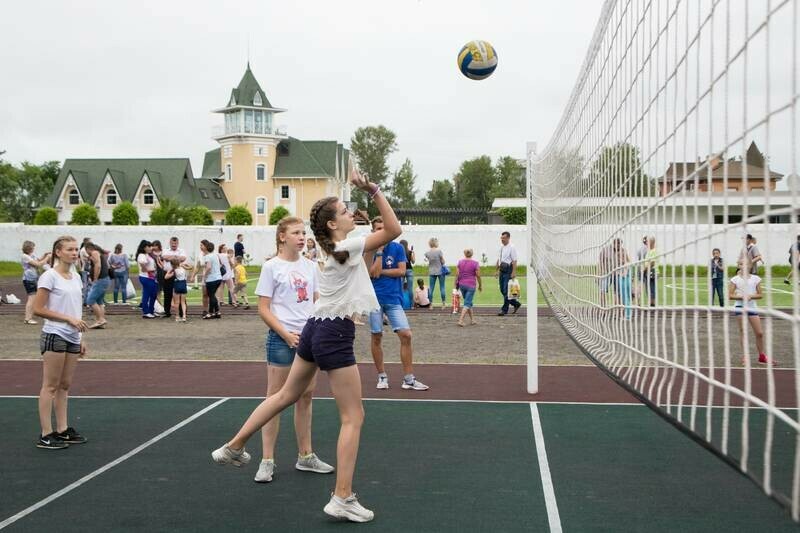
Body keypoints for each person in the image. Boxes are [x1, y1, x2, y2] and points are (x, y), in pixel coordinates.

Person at [211, 169, 398, 522]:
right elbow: (393, 229)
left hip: (314, 328)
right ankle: (342, 497)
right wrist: (373, 189)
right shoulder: (346, 246)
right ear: (331, 225)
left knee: (283, 397)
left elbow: (372, 261)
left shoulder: (337, 250)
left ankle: (233, 446)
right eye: (344, 211)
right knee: (353, 416)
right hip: (332, 333)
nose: (350, 213)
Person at [251, 216, 334, 483]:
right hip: (281, 339)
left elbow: (317, 299)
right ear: (282, 237)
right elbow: (263, 308)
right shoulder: (271, 268)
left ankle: (305, 456)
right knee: (274, 400)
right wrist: (286, 334)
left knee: (306, 398)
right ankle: (266, 460)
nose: (302, 237)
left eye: (303, 232)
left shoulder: (311, 267)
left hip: (308, 339)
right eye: (296, 233)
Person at [32, 235, 89, 449]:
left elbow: (76, 309)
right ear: (58, 252)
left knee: (65, 385)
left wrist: (81, 337)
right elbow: (38, 309)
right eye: (70, 249)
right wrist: (68, 320)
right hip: (55, 334)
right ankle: (46, 433)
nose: (74, 253)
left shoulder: (75, 276)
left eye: (76, 249)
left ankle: (63, 429)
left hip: (73, 337)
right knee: (51, 385)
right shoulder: (49, 276)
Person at [366, 216, 429, 391]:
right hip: (373, 300)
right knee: (376, 336)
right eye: (377, 229)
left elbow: (402, 271)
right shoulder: (368, 249)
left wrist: (381, 271)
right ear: (373, 231)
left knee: (406, 335)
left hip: (393, 299)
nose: (381, 232)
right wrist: (378, 251)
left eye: (383, 229)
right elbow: (370, 273)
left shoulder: (398, 248)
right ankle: (382, 376)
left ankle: (408, 379)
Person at [729, 263, 776, 365]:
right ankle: (745, 357)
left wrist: (751, 296)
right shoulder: (735, 279)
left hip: (752, 307)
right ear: (739, 265)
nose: (744, 265)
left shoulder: (756, 278)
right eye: (741, 263)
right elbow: (730, 296)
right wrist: (741, 297)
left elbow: (760, 295)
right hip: (739, 307)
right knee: (743, 331)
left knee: (759, 333)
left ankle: (762, 357)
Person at [21, 241, 51, 325]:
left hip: (33, 278)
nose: (34, 248)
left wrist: (44, 255)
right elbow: (38, 264)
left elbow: (38, 260)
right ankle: (27, 318)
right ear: (29, 248)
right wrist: (47, 258)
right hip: (28, 279)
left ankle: (29, 317)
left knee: (34, 298)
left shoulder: (31, 255)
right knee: (31, 298)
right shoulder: (25, 256)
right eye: (33, 247)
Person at [84, 242, 110, 329]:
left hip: (100, 280)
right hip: (104, 279)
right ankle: (101, 322)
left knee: (90, 300)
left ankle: (100, 320)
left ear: (88, 248)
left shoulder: (94, 252)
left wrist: (95, 279)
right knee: (99, 302)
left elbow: (98, 266)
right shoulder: (98, 253)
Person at [496, 231, 521, 316]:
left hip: (508, 270)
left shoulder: (512, 247)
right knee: (502, 290)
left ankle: (504, 310)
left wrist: (513, 272)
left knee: (506, 291)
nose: (502, 239)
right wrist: (497, 270)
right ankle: (515, 304)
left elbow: (514, 260)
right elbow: (499, 259)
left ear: (508, 238)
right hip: (501, 270)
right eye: (501, 238)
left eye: (504, 238)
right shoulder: (501, 247)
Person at [161, 237, 187, 319]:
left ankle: (182, 313)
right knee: (167, 293)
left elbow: (183, 258)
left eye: (175, 244)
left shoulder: (181, 250)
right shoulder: (165, 250)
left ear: (178, 243)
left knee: (180, 294)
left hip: (178, 274)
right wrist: (176, 257)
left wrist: (171, 258)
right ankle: (167, 312)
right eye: (172, 243)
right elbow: (164, 257)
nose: (174, 245)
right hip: (168, 272)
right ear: (170, 243)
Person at [456, 248, 481, 326]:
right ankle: (460, 320)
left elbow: (457, 275)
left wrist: (456, 285)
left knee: (468, 302)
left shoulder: (460, 262)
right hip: (471, 285)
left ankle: (472, 320)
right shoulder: (475, 263)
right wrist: (480, 285)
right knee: (467, 303)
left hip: (462, 285)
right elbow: (478, 276)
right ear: (472, 254)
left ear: (464, 253)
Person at [136, 240, 157, 319]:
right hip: (146, 277)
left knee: (153, 294)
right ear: (144, 247)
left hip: (150, 277)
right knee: (147, 294)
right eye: (149, 246)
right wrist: (150, 270)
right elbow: (143, 267)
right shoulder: (142, 255)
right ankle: (146, 312)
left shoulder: (147, 254)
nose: (150, 248)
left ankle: (150, 310)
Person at [611, 238, 631, 319]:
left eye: (619, 243)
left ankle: (627, 315)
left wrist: (623, 261)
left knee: (626, 296)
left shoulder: (623, 252)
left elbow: (628, 262)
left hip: (625, 275)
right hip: (620, 275)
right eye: (616, 244)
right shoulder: (614, 253)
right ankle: (626, 314)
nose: (618, 245)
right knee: (622, 295)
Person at [202, 241, 222, 319]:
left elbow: (209, 267)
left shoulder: (208, 256)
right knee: (212, 295)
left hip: (211, 279)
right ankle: (217, 312)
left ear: (206, 248)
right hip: (218, 278)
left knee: (211, 296)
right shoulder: (215, 255)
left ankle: (210, 313)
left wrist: (204, 275)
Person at [424, 238, 446, 308]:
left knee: (431, 288)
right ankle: (443, 304)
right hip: (440, 271)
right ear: (436, 243)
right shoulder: (439, 251)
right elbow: (443, 262)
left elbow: (427, 260)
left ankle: (431, 304)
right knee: (442, 287)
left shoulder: (427, 253)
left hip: (431, 271)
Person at [634, 235, 649, 306]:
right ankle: (650, 304)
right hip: (646, 268)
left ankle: (638, 302)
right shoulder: (648, 249)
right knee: (647, 287)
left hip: (640, 268)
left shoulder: (639, 249)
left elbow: (637, 260)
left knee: (640, 285)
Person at [399, 239, 415, 309]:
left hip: (401, 270)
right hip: (409, 270)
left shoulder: (399, 252)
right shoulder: (410, 252)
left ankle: (401, 304)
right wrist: (413, 253)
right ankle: (411, 305)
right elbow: (413, 262)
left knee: (400, 288)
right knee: (410, 289)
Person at [644, 236, 658, 307]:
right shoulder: (650, 251)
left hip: (652, 271)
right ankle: (652, 303)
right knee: (650, 287)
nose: (646, 243)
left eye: (647, 242)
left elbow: (652, 262)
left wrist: (645, 269)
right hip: (650, 271)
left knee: (650, 288)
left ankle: (652, 303)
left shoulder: (654, 251)